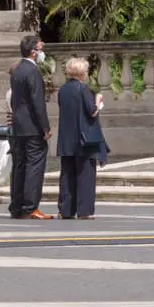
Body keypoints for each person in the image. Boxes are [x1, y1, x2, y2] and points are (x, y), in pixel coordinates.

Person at [56, 58, 110, 220]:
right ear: (82, 73)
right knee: (85, 174)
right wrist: (99, 100)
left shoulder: (63, 90)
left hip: (66, 137)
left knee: (67, 174)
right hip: (83, 138)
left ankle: (66, 209)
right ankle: (85, 210)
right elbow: (92, 111)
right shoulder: (84, 89)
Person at [9, 35, 53, 220]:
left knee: (20, 165)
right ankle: (30, 207)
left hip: (19, 126)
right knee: (34, 166)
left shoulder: (17, 70)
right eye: (40, 49)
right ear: (33, 52)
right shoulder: (32, 72)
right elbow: (37, 102)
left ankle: (17, 206)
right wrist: (45, 127)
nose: (42, 52)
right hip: (33, 127)